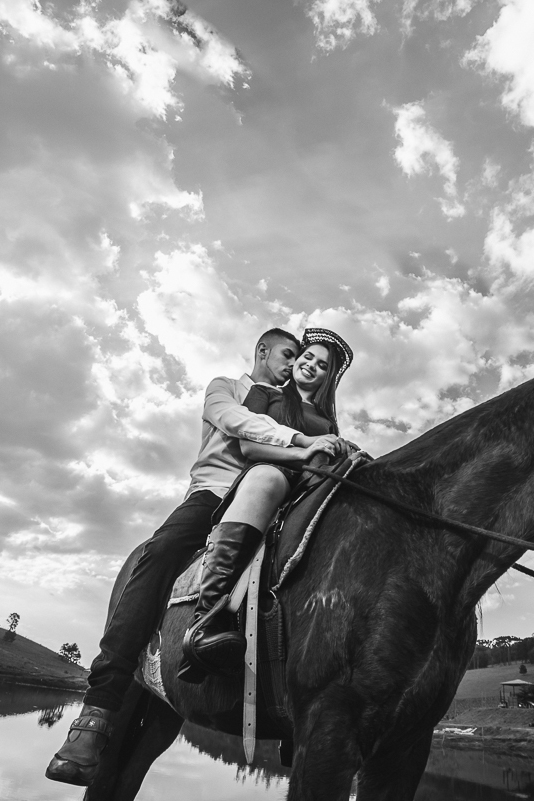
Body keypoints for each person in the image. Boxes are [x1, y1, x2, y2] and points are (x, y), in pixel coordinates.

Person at [46, 327, 344, 786]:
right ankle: (99, 706)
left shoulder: (299, 404)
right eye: (293, 354)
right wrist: (302, 443)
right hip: (215, 492)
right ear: (263, 350)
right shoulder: (231, 389)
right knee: (161, 554)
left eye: (310, 360)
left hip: (281, 498)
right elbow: (240, 428)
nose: (297, 363)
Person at [180, 327, 355, 680]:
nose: (310, 365)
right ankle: (208, 617)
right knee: (267, 477)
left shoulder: (327, 419)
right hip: (269, 475)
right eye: (307, 357)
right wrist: (304, 451)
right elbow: (248, 447)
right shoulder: (265, 393)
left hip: (309, 487)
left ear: (327, 379)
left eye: (322, 365)